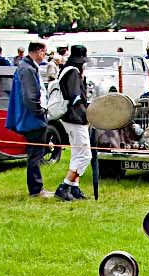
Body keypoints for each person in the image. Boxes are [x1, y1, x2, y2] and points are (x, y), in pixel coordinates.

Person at [6, 41, 54, 199]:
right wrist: (39, 112)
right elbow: (30, 95)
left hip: (31, 116)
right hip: (31, 117)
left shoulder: (27, 66)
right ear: (39, 51)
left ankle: (36, 188)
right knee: (35, 154)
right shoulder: (27, 68)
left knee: (35, 153)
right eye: (44, 52)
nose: (45, 55)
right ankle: (36, 189)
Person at [54, 46, 91, 202]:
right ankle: (64, 186)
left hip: (70, 118)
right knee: (85, 155)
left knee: (77, 153)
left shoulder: (65, 70)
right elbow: (75, 96)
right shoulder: (73, 73)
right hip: (75, 117)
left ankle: (75, 188)